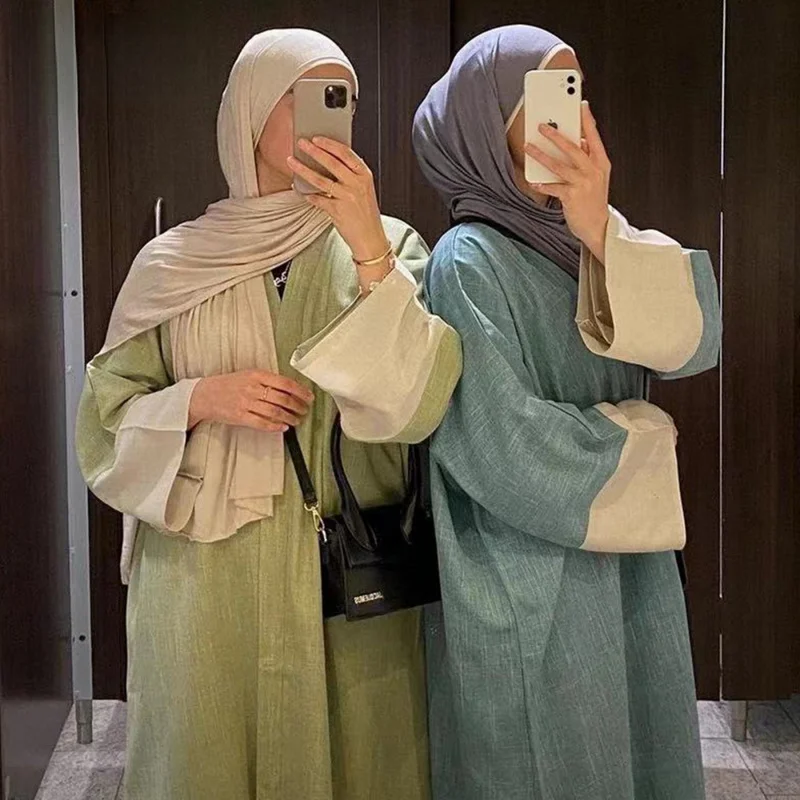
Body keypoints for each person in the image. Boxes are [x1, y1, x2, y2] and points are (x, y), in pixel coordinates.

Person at [76, 28, 461, 800]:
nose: (329, 116)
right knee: (205, 760)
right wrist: (200, 399)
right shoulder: (172, 262)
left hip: (345, 577)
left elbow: (419, 404)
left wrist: (367, 246)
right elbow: (103, 424)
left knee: (360, 762)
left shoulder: (390, 246)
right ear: (250, 112)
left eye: (342, 100)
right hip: (202, 584)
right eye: (305, 97)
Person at [413, 25, 720, 800]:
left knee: (634, 749)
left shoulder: (592, 239)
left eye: (578, 94)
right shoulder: (467, 260)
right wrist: (644, 443)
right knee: (543, 762)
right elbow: (500, 444)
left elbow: (696, 346)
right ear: (488, 123)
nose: (575, 119)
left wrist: (600, 231)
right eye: (551, 96)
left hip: (625, 569)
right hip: (528, 575)